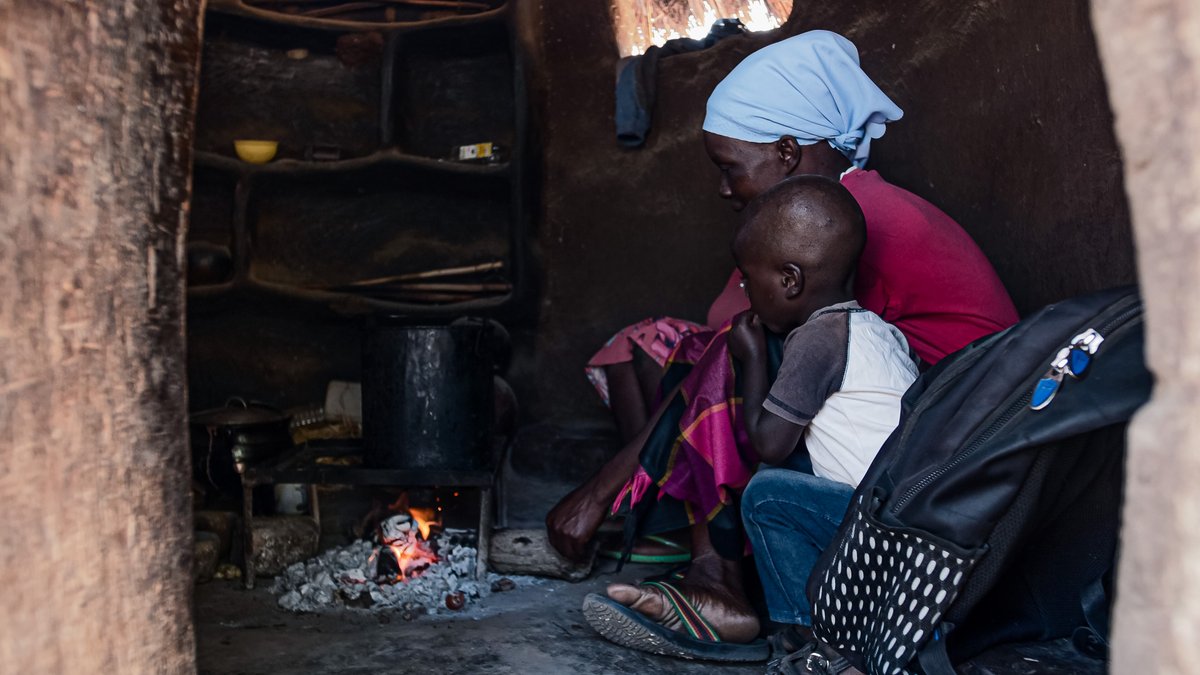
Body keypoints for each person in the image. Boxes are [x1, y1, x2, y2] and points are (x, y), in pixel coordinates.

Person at [550, 30, 1019, 657]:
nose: (723, 190)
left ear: (790, 151)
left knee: (732, 352)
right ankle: (685, 542)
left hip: (937, 460)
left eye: (729, 169)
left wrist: (597, 489)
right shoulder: (825, 216)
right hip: (905, 436)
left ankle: (719, 578)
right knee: (689, 348)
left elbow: (739, 340)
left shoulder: (843, 227)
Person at [584, 176, 917, 664]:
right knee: (789, 477)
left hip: (875, 535)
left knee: (767, 495)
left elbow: (768, 443)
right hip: (908, 526)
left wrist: (752, 357)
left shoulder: (818, 341)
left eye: (746, 279)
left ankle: (803, 637)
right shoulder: (878, 332)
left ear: (789, 281)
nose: (743, 289)